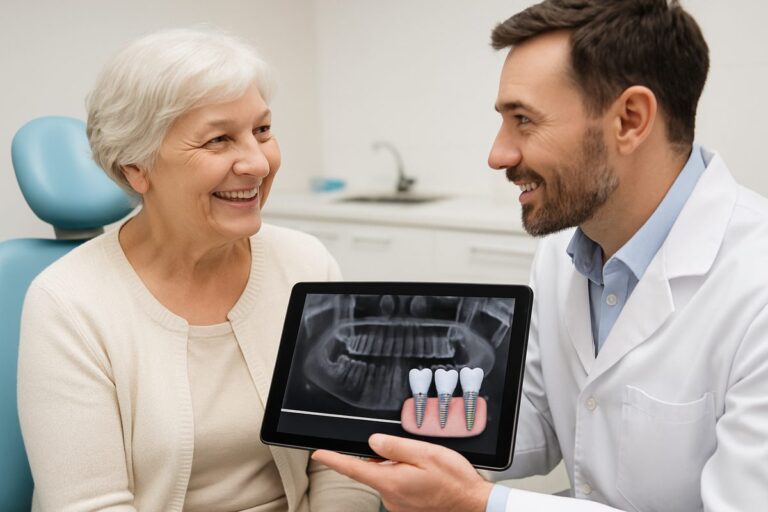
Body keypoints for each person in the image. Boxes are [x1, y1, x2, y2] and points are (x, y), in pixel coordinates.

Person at [312, 0, 768, 510]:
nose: (498, 154)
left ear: (630, 119)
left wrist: (482, 503)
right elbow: (537, 420)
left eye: (523, 120)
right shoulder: (562, 253)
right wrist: (392, 432)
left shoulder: (755, 284)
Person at [17, 28, 379, 512]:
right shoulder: (68, 301)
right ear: (135, 168)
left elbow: (340, 455)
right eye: (218, 140)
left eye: (263, 130)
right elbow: (89, 505)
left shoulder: (305, 264)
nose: (256, 162)